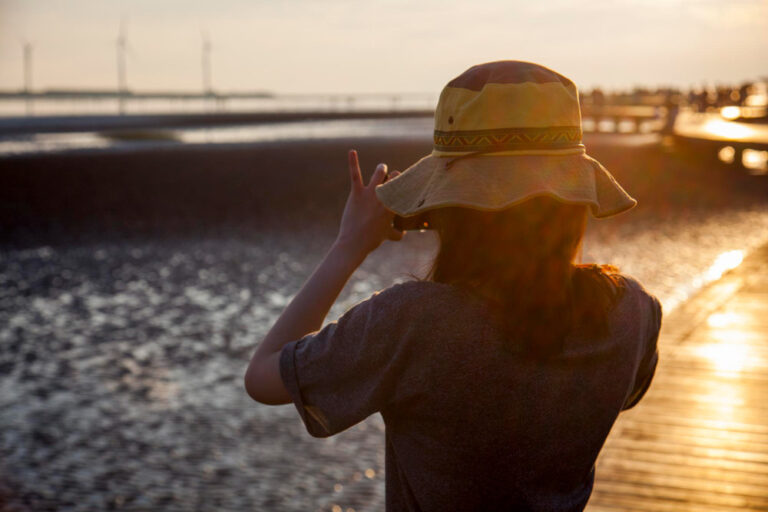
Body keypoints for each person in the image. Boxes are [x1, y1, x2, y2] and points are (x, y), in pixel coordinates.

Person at [245, 61, 662, 511]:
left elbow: (264, 377)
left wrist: (350, 245)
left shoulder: (413, 322)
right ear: (575, 197)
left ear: (449, 206)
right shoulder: (633, 312)